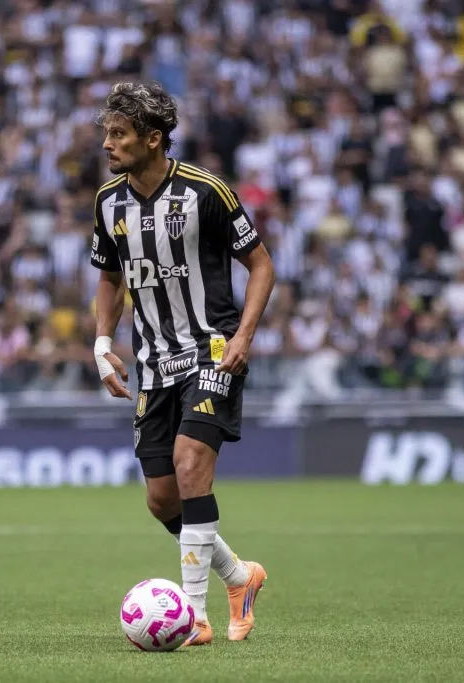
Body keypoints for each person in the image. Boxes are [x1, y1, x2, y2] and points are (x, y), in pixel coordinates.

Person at [90, 82, 276, 645]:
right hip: (153, 362)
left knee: (191, 461)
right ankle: (239, 578)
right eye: (106, 133)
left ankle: (193, 618)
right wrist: (102, 343)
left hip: (212, 350)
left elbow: (262, 266)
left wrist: (243, 335)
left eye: (119, 134)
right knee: (162, 498)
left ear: (153, 138)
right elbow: (109, 278)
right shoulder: (109, 202)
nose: (107, 144)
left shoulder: (206, 192)